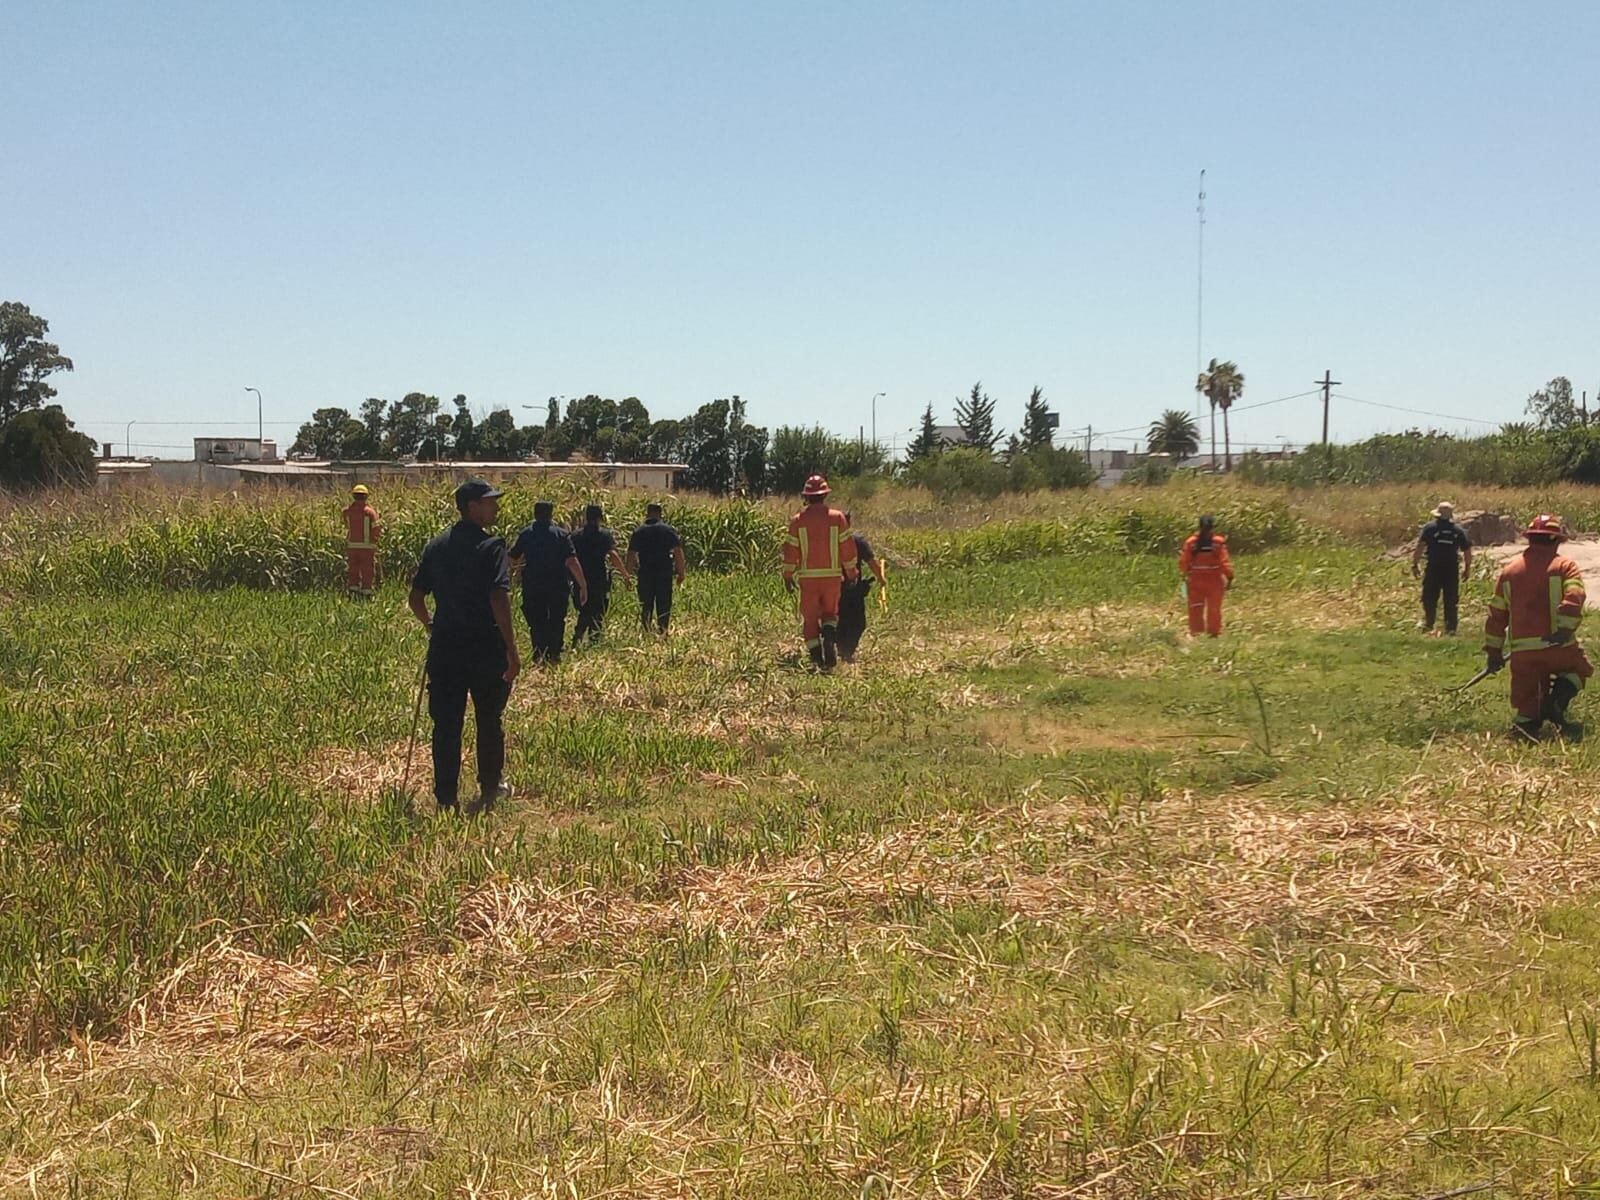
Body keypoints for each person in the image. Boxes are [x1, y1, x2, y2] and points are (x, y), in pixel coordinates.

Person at [408, 479, 521, 814]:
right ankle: (490, 786)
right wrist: (512, 651)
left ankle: (446, 797)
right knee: (489, 718)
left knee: (446, 724)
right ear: (473, 506)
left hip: (445, 647)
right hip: (484, 647)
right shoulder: (492, 547)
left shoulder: (437, 546)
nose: (495, 507)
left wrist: (432, 625)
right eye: (490, 502)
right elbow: (498, 597)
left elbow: (416, 598)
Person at [1483, 513, 1591, 741]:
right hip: (1558, 646)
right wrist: (1565, 629)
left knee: (1527, 701)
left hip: (1523, 653)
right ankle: (1555, 704)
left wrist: (1494, 653)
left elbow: (1496, 617)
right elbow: (1575, 596)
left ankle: (1525, 732)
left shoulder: (1509, 572)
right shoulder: (1564, 567)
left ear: (1529, 539)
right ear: (1556, 540)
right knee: (1579, 670)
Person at [781, 474, 858, 669]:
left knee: (810, 618)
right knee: (830, 614)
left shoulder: (798, 521)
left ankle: (816, 658)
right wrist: (851, 573)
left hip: (808, 579)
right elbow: (848, 549)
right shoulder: (838, 518)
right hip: (832, 577)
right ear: (825, 495)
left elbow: (790, 551)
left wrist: (788, 575)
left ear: (806, 496)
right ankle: (830, 640)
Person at [508, 500, 587, 665]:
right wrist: (583, 585)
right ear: (551, 514)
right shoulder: (561, 534)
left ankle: (539, 654)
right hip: (557, 585)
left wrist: (508, 580)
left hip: (533, 585)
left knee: (537, 621)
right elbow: (571, 561)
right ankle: (555, 654)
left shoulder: (526, 534)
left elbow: (512, 558)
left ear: (535, 514)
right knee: (557, 619)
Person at [570, 503, 630, 646]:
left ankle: (578, 637)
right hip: (599, 579)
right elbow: (613, 555)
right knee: (598, 611)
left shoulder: (575, 535)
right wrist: (625, 575)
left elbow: (570, 558)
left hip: (580, 578)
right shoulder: (604, 535)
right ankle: (593, 640)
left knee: (584, 609)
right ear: (599, 518)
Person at [1411, 500, 1472, 634]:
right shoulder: (1458, 531)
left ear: (1437, 515)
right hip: (1451, 568)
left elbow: (1420, 546)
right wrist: (1467, 569)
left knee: (1429, 595)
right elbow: (1467, 551)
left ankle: (1429, 623)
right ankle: (1451, 628)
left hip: (1433, 566)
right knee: (1451, 597)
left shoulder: (1429, 528)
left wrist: (1415, 564)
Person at [835, 513, 888, 663]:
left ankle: (840, 649)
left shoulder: (828, 542)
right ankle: (846, 651)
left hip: (833, 587)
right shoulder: (857, 541)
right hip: (852, 587)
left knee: (838, 619)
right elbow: (872, 562)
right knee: (857, 622)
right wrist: (881, 579)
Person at [628, 502, 686, 635]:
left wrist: (628, 575)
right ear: (660, 514)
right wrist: (681, 572)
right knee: (664, 603)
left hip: (645, 573)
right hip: (664, 573)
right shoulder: (668, 530)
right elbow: (678, 551)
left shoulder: (639, 531)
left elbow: (631, 554)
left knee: (646, 603)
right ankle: (663, 630)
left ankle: (646, 630)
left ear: (647, 513)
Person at [1177, 514, 1233, 637]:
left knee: (1195, 606)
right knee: (1214, 607)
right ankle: (1213, 633)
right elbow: (1224, 562)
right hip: (1214, 581)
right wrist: (1229, 576)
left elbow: (1183, 562)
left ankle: (1196, 631)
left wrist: (1185, 572)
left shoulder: (1191, 542)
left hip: (1195, 580)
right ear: (1213, 527)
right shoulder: (1218, 542)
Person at [343, 483, 382, 598]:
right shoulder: (370, 512)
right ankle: (367, 593)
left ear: (354, 496)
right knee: (367, 570)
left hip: (352, 546)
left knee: (353, 569)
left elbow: (346, 525)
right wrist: (376, 541)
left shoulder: (347, 512)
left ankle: (353, 591)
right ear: (366, 496)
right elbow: (376, 529)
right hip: (367, 547)